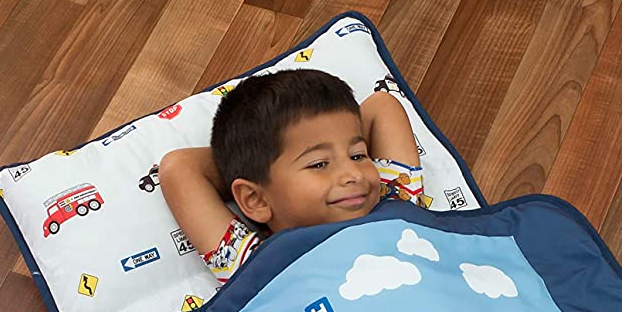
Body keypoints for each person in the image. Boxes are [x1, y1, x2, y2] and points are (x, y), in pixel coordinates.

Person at [159, 69, 428, 285]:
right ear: (255, 200)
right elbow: (179, 168)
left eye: (358, 155)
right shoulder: (258, 271)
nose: (354, 174)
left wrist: (270, 162)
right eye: (319, 164)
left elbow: (382, 106)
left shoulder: (398, 207)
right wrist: (254, 163)